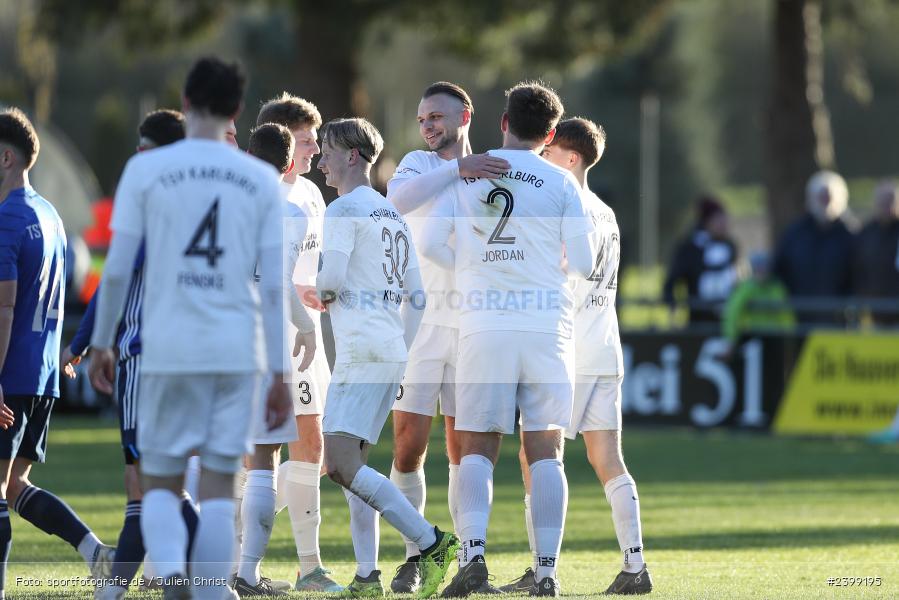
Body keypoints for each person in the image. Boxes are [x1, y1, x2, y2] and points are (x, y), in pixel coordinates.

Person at [88, 57, 305, 600]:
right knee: (215, 489)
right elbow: (275, 286)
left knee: (158, 483)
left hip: (167, 345)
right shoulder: (260, 178)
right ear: (236, 111)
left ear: (184, 105)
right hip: (236, 349)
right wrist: (279, 373)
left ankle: (172, 578)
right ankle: (209, 591)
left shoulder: (147, 168)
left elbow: (116, 269)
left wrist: (100, 342)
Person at [421, 82, 597, 597]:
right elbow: (583, 264)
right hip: (546, 328)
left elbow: (431, 244)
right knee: (545, 449)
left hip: (484, 324)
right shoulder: (562, 183)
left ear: (502, 122)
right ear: (549, 135)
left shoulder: (471, 172)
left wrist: (476, 271)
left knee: (475, 445)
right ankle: (545, 573)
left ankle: (473, 559)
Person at [496, 117, 653, 596]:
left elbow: (563, 276)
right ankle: (635, 564)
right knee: (608, 458)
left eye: (549, 150)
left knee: (537, 454)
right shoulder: (606, 211)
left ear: (570, 157)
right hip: (606, 344)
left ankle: (543, 570)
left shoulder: (568, 204)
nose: (541, 157)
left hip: (570, 348)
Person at [316, 117, 459, 598]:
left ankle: (430, 542)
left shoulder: (342, 211)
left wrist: (303, 287)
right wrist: (400, 346)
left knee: (339, 463)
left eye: (327, 151)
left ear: (352, 156)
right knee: (354, 465)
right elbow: (417, 297)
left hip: (361, 349)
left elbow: (331, 281)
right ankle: (366, 576)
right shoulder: (389, 213)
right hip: (388, 349)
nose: (320, 160)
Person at [61, 108, 201, 600]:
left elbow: (115, 278)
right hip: (189, 357)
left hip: (147, 358)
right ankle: (119, 590)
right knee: (143, 485)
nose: (135, 158)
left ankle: (211, 579)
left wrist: (84, 344)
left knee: (152, 482)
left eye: (142, 149)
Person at [385, 81, 509, 594]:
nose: (429, 125)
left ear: (465, 114)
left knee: (463, 447)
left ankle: (466, 558)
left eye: (436, 116)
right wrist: (457, 170)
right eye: (422, 118)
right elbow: (396, 198)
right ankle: (417, 552)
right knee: (408, 444)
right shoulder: (418, 163)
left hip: (470, 325)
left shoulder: (494, 170)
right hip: (417, 325)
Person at [0, 107, 115, 600]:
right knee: (14, 487)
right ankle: (96, 554)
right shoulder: (49, 214)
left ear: (5, 157)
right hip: (43, 375)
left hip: (11, 373)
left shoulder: (6, 219)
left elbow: (4, 308)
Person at [250, 93, 345, 594]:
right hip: (269, 341)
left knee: (313, 447)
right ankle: (241, 558)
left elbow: (305, 266)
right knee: (261, 454)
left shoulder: (309, 195)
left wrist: (317, 289)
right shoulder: (259, 199)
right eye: (307, 141)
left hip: (306, 335)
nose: (315, 149)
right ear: (284, 141)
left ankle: (307, 566)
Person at [232, 122, 318, 597]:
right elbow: (280, 283)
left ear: (247, 154)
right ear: (288, 166)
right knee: (265, 457)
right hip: (265, 343)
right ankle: (246, 572)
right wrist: (306, 327)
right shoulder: (290, 212)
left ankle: (206, 569)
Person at [772, 170, 856, 324]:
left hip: (838, 320)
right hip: (801, 317)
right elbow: (780, 270)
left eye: (829, 198)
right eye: (821, 198)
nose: (826, 203)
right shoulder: (794, 235)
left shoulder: (850, 235)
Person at [662, 196, 739, 326]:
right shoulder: (690, 248)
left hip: (728, 320)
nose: (723, 224)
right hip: (699, 319)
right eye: (718, 219)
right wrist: (672, 303)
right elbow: (673, 278)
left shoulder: (730, 246)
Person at [721, 251, 795, 352]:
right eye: (758, 268)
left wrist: (790, 335)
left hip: (774, 337)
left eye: (764, 268)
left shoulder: (776, 288)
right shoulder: (746, 288)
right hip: (751, 335)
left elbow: (785, 312)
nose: (761, 272)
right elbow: (733, 311)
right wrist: (731, 338)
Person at [852, 181, 899, 325]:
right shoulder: (866, 233)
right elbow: (858, 269)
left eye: (890, 200)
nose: (886, 205)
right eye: (882, 201)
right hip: (874, 313)